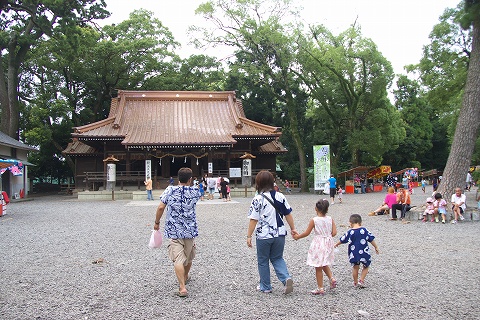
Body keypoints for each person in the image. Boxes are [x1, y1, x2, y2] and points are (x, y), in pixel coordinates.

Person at [246, 170, 297, 294]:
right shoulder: (280, 196)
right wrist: (292, 228)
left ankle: (266, 286)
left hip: (264, 235)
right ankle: (286, 278)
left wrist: (249, 236)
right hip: (279, 233)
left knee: (263, 260)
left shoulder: (257, 199)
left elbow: (253, 219)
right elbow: (288, 214)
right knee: (277, 258)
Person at [153, 168, 201, 297]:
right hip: (190, 229)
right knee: (189, 254)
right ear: (190, 179)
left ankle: (182, 287)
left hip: (174, 229)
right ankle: (185, 275)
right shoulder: (195, 191)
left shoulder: (170, 190)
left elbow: (161, 207)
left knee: (178, 259)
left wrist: (157, 222)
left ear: (178, 178)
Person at [293, 199, 337, 295]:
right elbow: (334, 233)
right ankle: (331, 278)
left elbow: (307, 233)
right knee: (324, 262)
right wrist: (327, 236)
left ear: (316, 208)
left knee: (318, 266)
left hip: (319, 243)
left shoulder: (314, 220)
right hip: (328, 243)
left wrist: (298, 237)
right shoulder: (330, 219)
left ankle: (320, 288)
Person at [334, 214, 379, 288]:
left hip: (354, 253)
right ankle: (361, 280)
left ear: (350, 223)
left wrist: (336, 244)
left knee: (355, 267)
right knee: (366, 266)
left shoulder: (350, 232)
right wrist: (376, 247)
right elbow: (371, 239)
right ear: (360, 222)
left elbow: (343, 239)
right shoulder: (364, 230)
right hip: (364, 252)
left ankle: (355, 282)